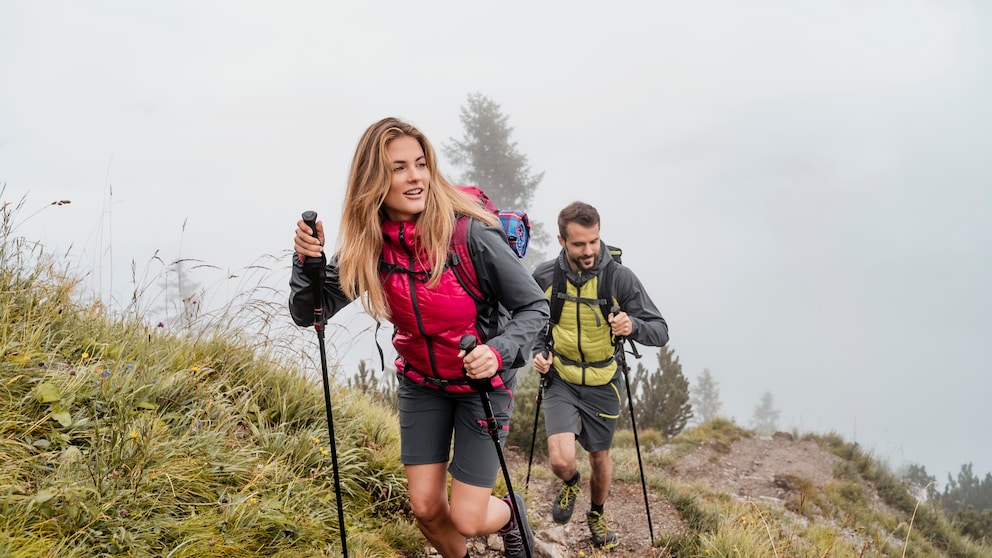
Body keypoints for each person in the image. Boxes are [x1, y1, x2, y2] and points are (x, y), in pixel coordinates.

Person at [289, 117, 547, 558]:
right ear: (373, 180)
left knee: (467, 517)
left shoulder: (470, 234)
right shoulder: (369, 244)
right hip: (423, 383)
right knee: (426, 509)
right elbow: (309, 313)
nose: (415, 178)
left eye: (421, 164)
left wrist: (497, 353)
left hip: (482, 384)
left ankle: (509, 513)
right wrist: (305, 265)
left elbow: (536, 307)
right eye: (399, 168)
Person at [531, 201, 668, 550]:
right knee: (561, 459)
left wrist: (631, 324)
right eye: (579, 244)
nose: (589, 250)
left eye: (594, 241)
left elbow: (660, 331)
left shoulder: (619, 278)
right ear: (562, 241)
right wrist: (537, 352)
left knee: (599, 458)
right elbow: (530, 319)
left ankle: (596, 514)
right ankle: (572, 482)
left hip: (604, 382)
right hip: (561, 377)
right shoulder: (547, 277)